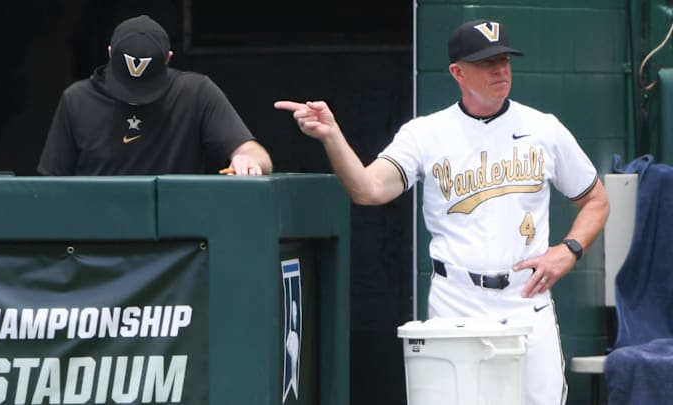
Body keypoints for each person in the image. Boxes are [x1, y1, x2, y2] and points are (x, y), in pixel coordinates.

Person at [275, 19, 609, 405]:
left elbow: (596, 199)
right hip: (457, 299)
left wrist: (569, 249)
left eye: (504, 59)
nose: (500, 69)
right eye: (487, 62)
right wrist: (332, 136)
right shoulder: (426, 133)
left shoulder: (543, 128)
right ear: (457, 72)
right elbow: (368, 190)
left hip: (525, 299)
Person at [38, 14, 271, 176]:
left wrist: (248, 160)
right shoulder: (77, 99)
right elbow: (53, 182)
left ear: (169, 58)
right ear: (109, 53)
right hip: (96, 232)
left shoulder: (196, 92)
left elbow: (255, 153)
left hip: (177, 232)